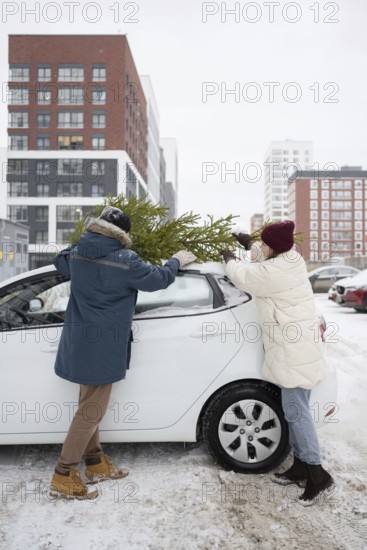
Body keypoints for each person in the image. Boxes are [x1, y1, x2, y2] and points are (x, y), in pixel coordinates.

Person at [50, 206, 196, 499]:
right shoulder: (126, 260)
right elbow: (158, 280)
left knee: (87, 403)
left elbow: (59, 261)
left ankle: (95, 462)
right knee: (92, 410)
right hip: (104, 345)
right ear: (123, 234)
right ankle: (64, 474)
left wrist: (81, 240)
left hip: (79, 341)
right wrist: (176, 261)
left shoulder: (77, 253)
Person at [221, 220, 334, 506]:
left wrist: (231, 260)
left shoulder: (276, 271)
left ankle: (317, 474)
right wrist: (250, 246)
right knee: (294, 409)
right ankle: (299, 467)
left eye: (264, 243)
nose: (263, 247)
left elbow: (246, 276)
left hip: (293, 350)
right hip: (298, 347)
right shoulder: (290, 257)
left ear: (274, 247)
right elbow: (264, 260)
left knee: (296, 412)